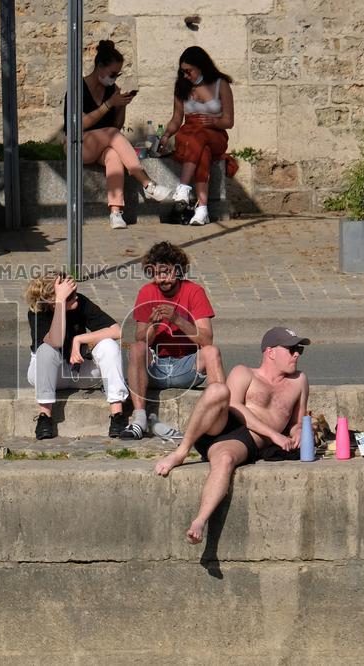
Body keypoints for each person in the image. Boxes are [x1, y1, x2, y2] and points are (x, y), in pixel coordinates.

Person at [154, 327, 311, 543]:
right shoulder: (244, 373)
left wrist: (299, 431)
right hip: (222, 423)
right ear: (270, 352)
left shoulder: (299, 381)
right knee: (218, 390)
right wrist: (275, 435)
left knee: (225, 461)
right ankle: (181, 451)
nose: (297, 354)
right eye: (291, 349)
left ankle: (199, 521)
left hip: (243, 441)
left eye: (299, 349)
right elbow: (233, 404)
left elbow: (296, 421)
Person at [120, 241, 224, 440]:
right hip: (156, 366)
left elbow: (207, 339)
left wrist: (177, 319)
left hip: (187, 366)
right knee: (136, 348)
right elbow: (141, 339)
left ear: (178, 270)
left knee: (212, 352)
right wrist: (154, 325)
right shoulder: (147, 293)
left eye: (166, 272)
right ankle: (140, 419)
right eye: (157, 273)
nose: (161, 278)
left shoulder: (194, 292)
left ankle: (219, 417)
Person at [69, 39, 171, 230]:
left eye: (118, 74)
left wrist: (121, 106)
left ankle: (116, 213)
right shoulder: (78, 89)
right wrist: (108, 105)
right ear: (99, 67)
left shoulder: (112, 90)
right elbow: (78, 125)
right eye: (112, 73)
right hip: (78, 144)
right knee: (111, 133)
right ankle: (147, 184)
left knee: (114, 156)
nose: (115, 78)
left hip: (102, 146)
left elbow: (117, 126)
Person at [25, 272, 128, 440]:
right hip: (49, 375)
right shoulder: (38, 311)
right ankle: (45, 416)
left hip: (77, 370)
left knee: (109, 345)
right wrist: (60, 303)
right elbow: (55, 341)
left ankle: (117, 415)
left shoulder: (80, 302)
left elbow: (117, 330)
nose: (76, 297)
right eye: (70, 295)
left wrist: (79, 339)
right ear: (53, 301)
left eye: (74, 292)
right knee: (46, 349)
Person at [159, 46, 235, 226]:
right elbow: (177, 118)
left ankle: (183, 187)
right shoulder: (182, 87)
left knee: (201, 136)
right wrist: (167, 134)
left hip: (215, 133)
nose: (185, 75)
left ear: (200, 66)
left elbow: (229, 121)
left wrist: (213, 122)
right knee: (203, 152)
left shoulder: (220, 84)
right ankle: (202, 209)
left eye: (188, 71)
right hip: (189, 133)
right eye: (182, 72)